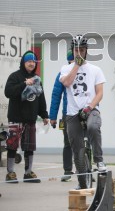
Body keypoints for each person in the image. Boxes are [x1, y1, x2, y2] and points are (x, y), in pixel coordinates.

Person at [60, 35, 107, 188]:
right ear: (72, 51)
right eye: (76, 50)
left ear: (86, 51)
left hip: (91, 109)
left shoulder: (96, 69)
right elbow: (66, 83)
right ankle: (82, 182)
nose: (78, 53)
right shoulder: (65, 69)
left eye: (81, 50)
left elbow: (99, 93)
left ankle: (99, 160)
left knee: (93, 127)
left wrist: (89, 107)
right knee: (76, 147)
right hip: (72, 112)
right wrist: (76, 66)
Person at [4, 51, 49, 183]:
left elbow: (40, 99)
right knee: (12, 146)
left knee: (29, 147)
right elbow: (8, 92)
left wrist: (44, 115)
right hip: (15, 118)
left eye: (33, 61)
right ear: (23, 62)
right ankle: (10, 173)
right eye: (29, 61)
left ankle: (28, 173)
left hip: (30, 119)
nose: (31, 63)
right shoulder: (15, 76)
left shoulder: (37, 79)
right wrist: (25, 83)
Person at [49, 50, 75, 182]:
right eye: (71, 61)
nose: (73, 63)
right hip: (67, 114)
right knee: (67, 142)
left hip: (83, 113)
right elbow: (56, 95)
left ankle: (87, 170)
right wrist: (52, 117)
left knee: (86, 143)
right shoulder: (62, 74)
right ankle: (67, 169)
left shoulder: (86, 73)